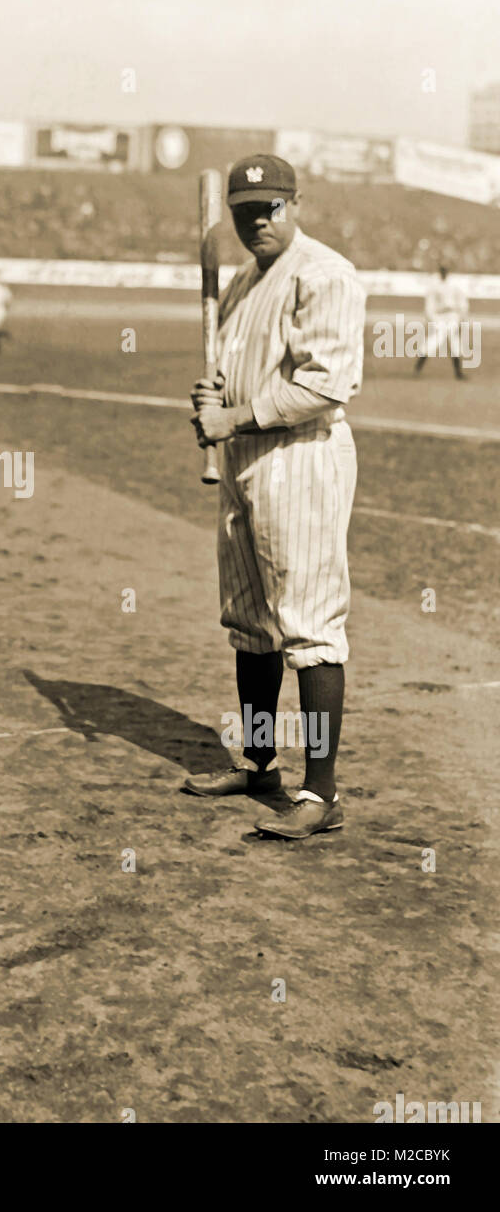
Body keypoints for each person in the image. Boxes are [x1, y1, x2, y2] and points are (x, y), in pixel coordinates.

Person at [186, 154, 366, 840]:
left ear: (296, 204)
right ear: (231, 213)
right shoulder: (241, 281)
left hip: (304, 459)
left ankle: (321, 795)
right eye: (245, 210)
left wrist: (231, 417)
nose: (259, 219)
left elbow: (326, 385)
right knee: (250, 619)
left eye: (272, 207)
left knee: (309, 625)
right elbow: (235, 379)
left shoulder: (324, 274)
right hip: (246, 460)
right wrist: (212, 402)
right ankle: (260, 760)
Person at [414, 264, 468, 380]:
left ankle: (458, 372)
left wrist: (461, 317)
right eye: (442, 271)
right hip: (440, 317)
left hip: (452, 316)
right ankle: (418, 368)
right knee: (434, 341)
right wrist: (432, 318)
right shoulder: (434, 286)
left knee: (455, 343)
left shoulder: (454, 285)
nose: (444, 273)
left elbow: (462, 301)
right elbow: (429, 305)